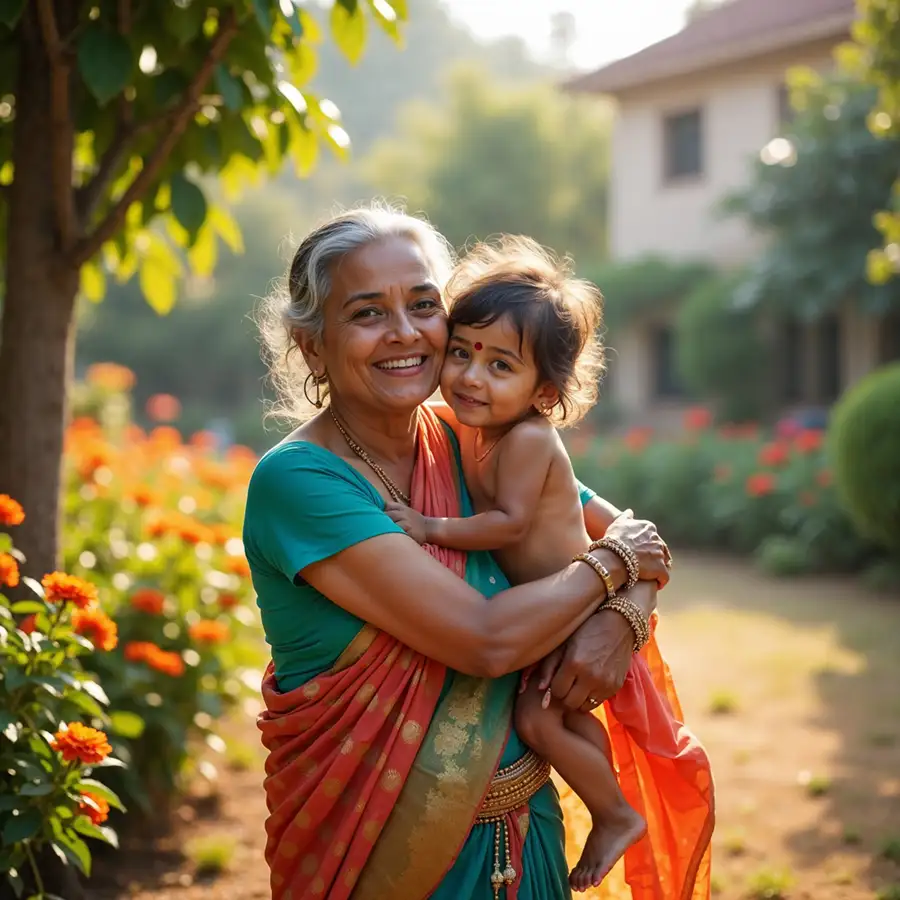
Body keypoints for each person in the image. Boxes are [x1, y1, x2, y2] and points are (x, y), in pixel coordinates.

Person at [244, 205, 714, 900]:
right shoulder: (300, 481)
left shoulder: (467, 437)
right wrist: (614, 572)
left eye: (424, 305)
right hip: (378, 848)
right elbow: (488, 642)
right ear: (312, 344)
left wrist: (622, 621)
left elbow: (638, 541)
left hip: (528, 829)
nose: (405, 334)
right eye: (368, 313)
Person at [383, 235, 700, 892]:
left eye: (501, 366)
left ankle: (613, 813)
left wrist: (429, 526)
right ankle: (612, 808)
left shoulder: (526, 439)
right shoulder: (467, 429)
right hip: (557, 604)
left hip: (568, 603)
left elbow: (509, 524)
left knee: (537, 719)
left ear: (543, 390)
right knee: (562, 718)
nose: (471, 376)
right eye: (463, 352)